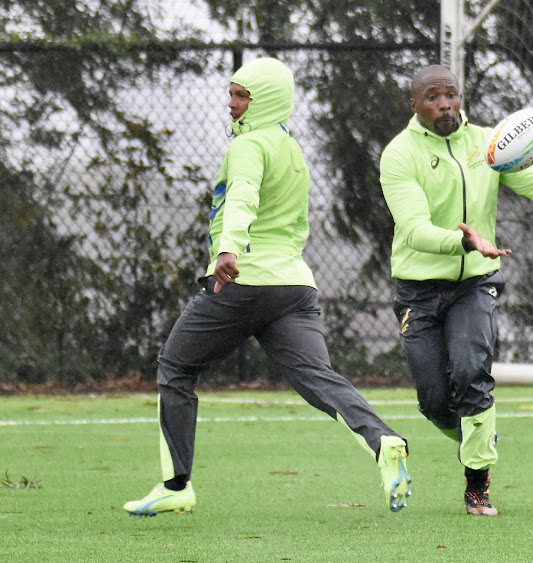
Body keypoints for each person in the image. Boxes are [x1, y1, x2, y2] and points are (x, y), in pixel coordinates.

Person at [124, 57, 411, 516]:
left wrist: (228, 250)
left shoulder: (248, 146)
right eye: (232, 94)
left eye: (243, 96)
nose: (232, 104)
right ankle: (383, 440)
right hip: (294, 286)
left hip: (245, 280)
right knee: (317, 377)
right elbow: (295, 224)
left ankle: (176, 485)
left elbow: (241, 197)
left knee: (175, 367)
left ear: (268, 100)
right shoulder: (292, 150)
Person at [379, 65, 533, 516]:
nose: (445, 103)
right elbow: (413, 229)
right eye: (433, 97)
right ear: (415, 105)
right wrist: (462, 239)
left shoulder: (489, 145)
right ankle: (479, 434)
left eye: (451, 94)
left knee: (471, 372)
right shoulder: (399, 154)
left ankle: (477, 486)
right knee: (433, 402)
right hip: (417, 290)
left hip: (475, 283)